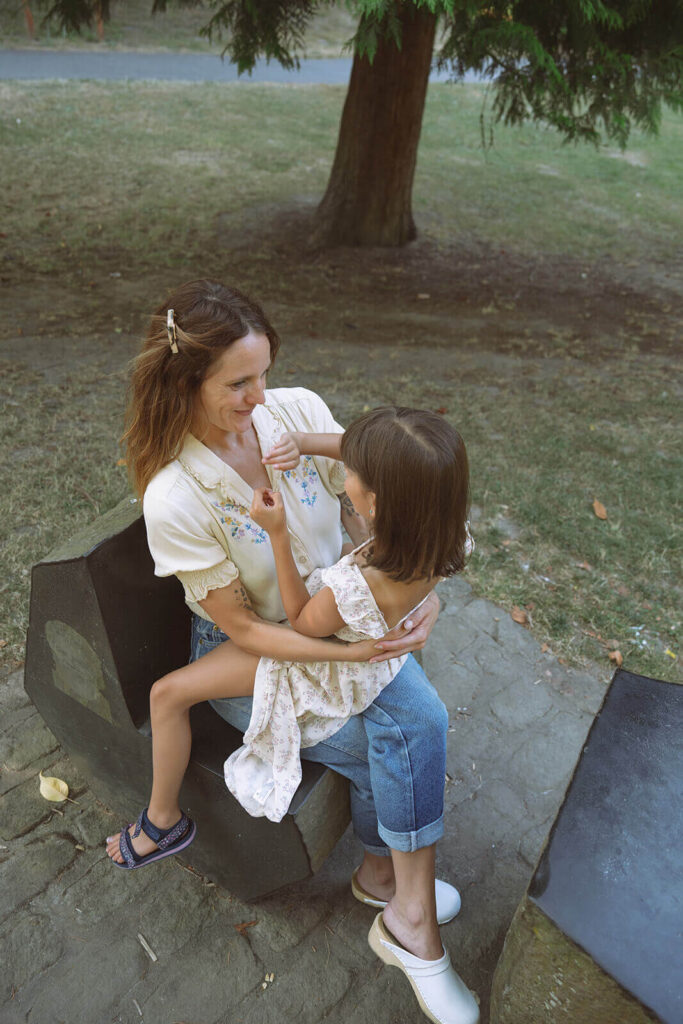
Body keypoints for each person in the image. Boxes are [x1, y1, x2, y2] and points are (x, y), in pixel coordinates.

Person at [105, 280, 479, 1024]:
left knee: (409, 729)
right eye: (238, 383)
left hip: (338, 620)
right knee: (410, 729)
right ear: (187, 383)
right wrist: (360, 653)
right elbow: (245, 633)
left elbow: (385, 467)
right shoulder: (176, 495)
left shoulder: (293, 411)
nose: (260, 395)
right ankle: (406, 917)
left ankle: (386, 883)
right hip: (262, 653)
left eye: (264, 373)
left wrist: (414, 594)